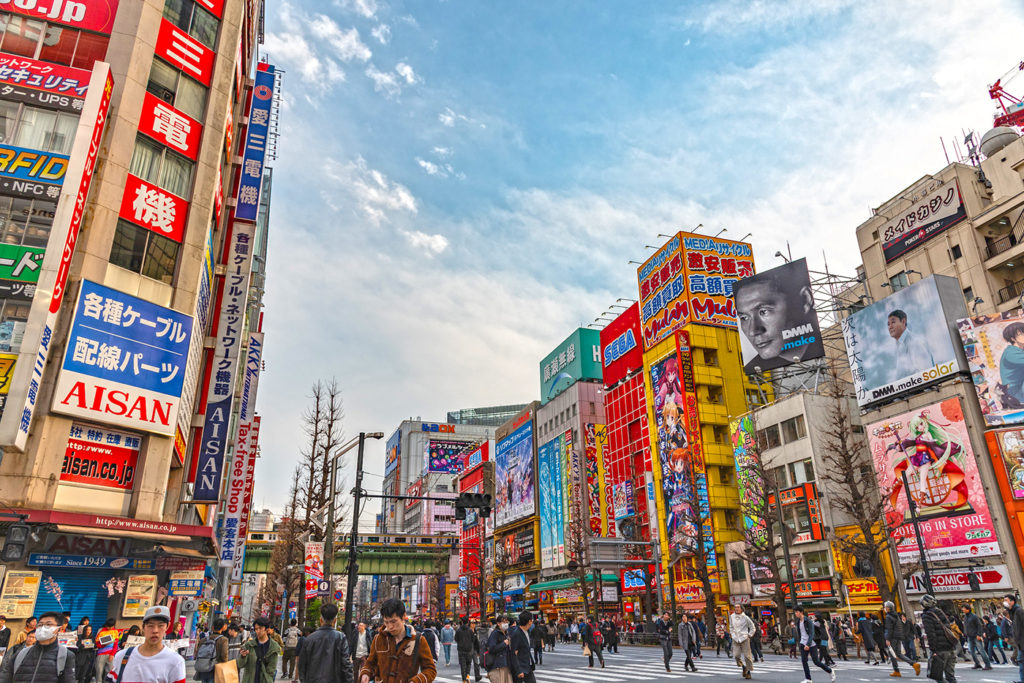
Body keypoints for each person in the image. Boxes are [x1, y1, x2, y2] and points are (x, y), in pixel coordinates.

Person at [735, 264, 820, 373]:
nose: (753, 331)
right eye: (744, 318)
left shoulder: (829, 346)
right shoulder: (754, 368)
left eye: (763, 311)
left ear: (805, 300)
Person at [359, 598, 435, 683]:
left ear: (403, 616)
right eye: (386, 622)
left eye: (393, 621)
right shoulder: (378, 639)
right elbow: (370, 663)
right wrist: (366, 673)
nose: (390, 626)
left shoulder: (418, 640)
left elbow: (430, 669)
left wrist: (416, 681)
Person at [107, 606, 185, 683]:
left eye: (161, 626)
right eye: (150, 626)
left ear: (167, 626)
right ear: (143, 627)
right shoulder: (122, 656)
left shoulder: (176, 662)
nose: (155, 630)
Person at [0, 612, 74, 683]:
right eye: (40, 624)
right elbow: (5, 676)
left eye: (48, 624)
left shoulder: (65, 655)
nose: (43, 628)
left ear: (59, 629)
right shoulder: (22, 653)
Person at [887, 309, 935, 379]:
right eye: (888, 324)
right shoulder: (899, 345)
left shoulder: (915, 342)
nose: (890, 327)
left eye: (893, 322)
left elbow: (926, 374)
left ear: (903, 321)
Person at [920, 594, 957, 683]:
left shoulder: (927, 616)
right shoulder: (940, 612)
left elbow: (931, 634)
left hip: (939, 649)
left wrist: (933, 650)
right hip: (949, 646)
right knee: (950, 676)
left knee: (937, 675)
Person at [795, 606, 835, 683]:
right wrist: (800, 643)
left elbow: (811, 634)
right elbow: (800, 633)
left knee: (816, 662)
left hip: (811, 643)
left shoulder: (808, 621)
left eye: (797, 612)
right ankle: (808, 679)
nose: (796, 613)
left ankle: (830, 671)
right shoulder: (798, 622)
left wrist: (808, 644)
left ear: (801, 612)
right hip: (803, 643)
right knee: (804, 661)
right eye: (795, 612)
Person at [237, 616, 281, 683]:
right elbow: (240, 665)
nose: (258, 631)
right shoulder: (249, 645)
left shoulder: (274, 647)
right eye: (256, 629)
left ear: (266, 629)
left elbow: (271, 670)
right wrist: (243, 656)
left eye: (260, 628)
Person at [883, 601, 920, 677]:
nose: (885, 609)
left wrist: (887, 639)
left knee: (892, 654)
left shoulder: (888, 617)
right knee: (899, 653)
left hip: (892, 637)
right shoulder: (896, 615)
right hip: (898, 637)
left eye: (885, 607)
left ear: (888, 608)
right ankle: (914, 664)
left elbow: (889, 629)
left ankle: (896, 671)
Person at [194, 617, 230, 683]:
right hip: (215, 669)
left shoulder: (204, 639)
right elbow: (224, 656)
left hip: (203, 667)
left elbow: (197, 653)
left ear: (212, 627)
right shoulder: (223, 640)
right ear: (223, 628)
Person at [482, 614, 512, 683]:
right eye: (503, 622)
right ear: (498, 623)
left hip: (506, 665)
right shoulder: (495, 633)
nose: (506, 624)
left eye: (507, 622)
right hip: (497, 666)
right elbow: (491, 649)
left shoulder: (506, 633)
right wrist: (504, 644)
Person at [960, 605, 991, 670]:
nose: (962, 610)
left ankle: (987, 664)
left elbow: (979, 626)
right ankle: (977, 663)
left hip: (975, 635)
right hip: (969, 636)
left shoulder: (974, 616)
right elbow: (965, 626)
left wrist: (979, 634)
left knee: (981, 650)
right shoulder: (965, 617)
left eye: (964, 608)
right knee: (971, 651)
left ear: (968, 609)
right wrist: (965, 633)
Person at [729, 605, 755, 679]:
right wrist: (732, 634)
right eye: (735, 607)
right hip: (735, 638)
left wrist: (749, 635)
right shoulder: (732, 617)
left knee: (747, 656)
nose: (736, 609)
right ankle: (743, 667)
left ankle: (749, 672)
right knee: (736, 655)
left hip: (744, 638)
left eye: (738, 607)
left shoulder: (746, 618)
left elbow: (752, 627)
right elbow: (731, 626)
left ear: (741, 609)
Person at [508, 611, 534, 683]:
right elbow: (513, 654)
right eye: (532, 620)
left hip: (527, 667)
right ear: (529, 621)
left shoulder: (526, 631)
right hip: (520, 668)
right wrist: (518, 670)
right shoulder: (517, 634)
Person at [1006, 595, 1024, 683]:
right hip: (1020, 642)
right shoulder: (1013, 612)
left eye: (1006, 600)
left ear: (1012, 601)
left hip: (1022, 641)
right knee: (1021, 661)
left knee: (1021, 661)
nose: (1004, 602)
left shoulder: (1019, 611)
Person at [94, 618, 119, 682]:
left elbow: (116, 645)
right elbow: (97, 644)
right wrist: (104, 644)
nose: (108, 628)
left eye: (110, 626)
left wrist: (112, 654)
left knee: (109, 671)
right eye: (108, 626)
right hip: (101, 654)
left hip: (110, 654)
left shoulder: (115, 632)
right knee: (99, 671)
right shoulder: (101, 631)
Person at [454, 618, 478, 683]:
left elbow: (456, 639)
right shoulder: (470, 630)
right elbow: (473, 639)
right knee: (468, 664)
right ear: (468, 622)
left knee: (462, 665)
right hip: (469, 649)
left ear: (462, 622)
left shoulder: (458, 630)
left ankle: (464, 679)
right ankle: (468, 675)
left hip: (461, 650)